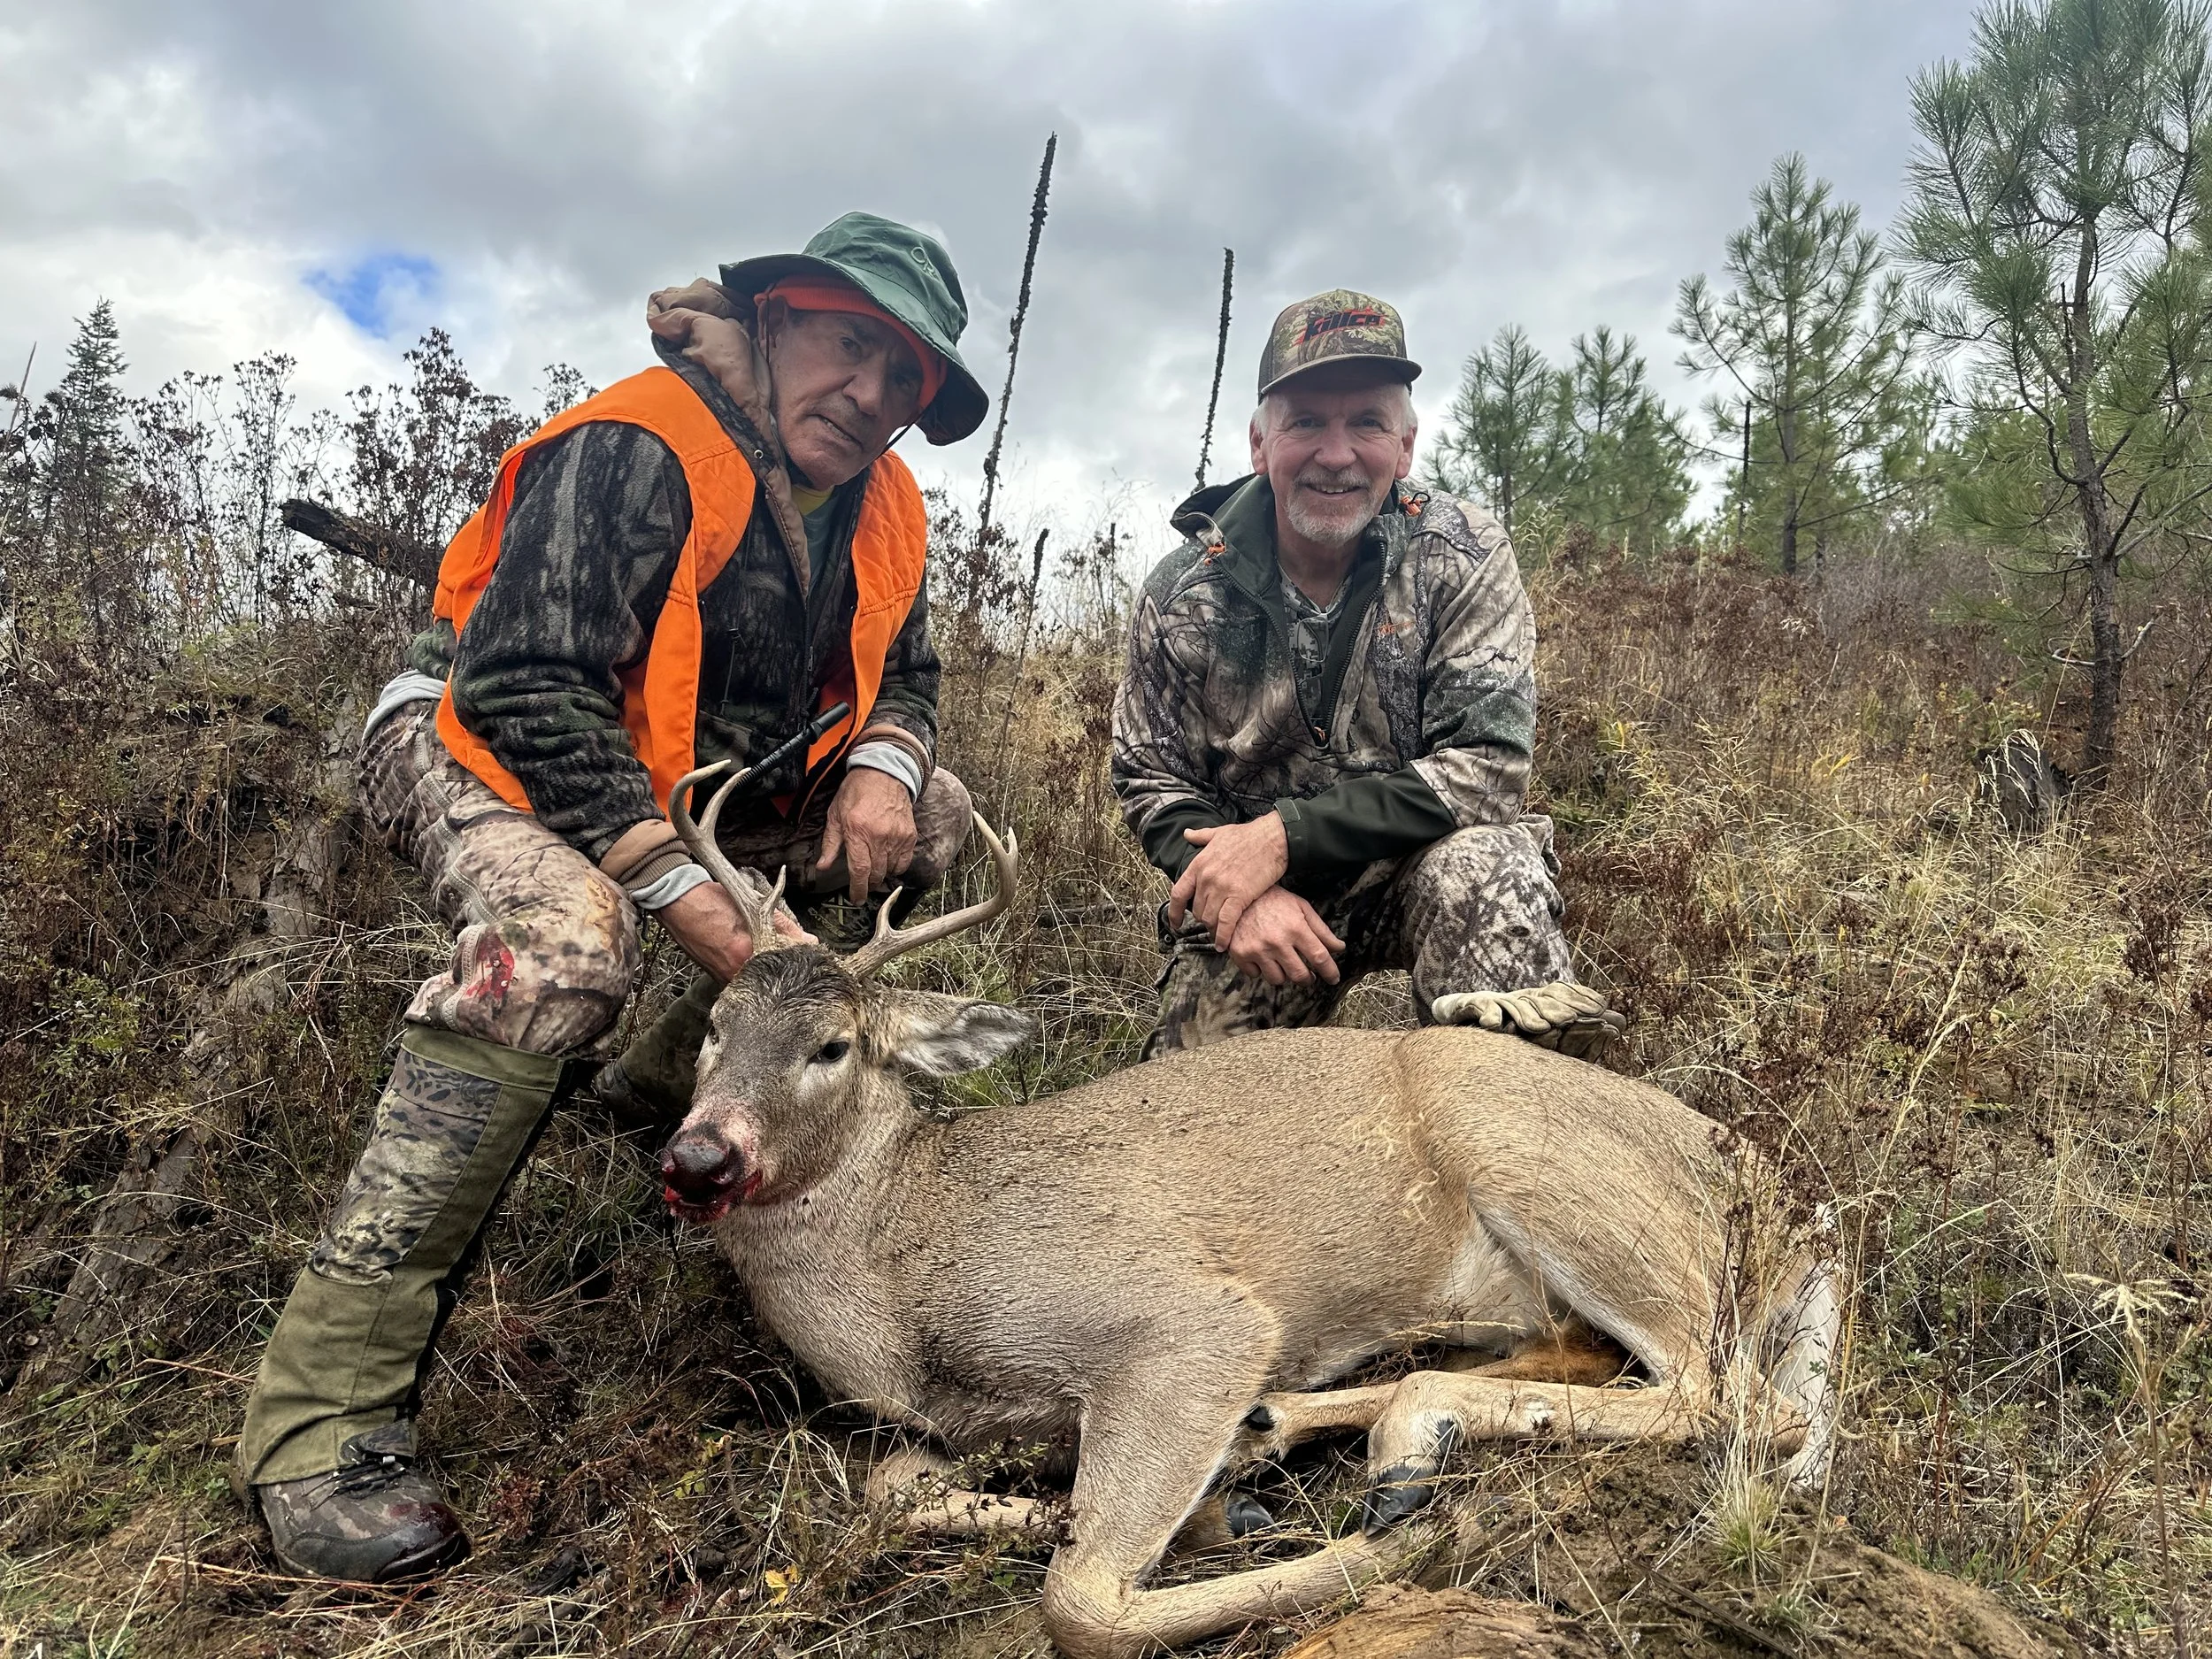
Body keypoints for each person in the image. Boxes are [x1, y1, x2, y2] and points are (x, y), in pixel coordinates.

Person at [234, 211, 988, 1581]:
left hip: (690, 771)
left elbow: (914, 677)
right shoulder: (639, 444)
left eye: (904, 379)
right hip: (478, 731)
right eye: (847, 346)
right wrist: (695, 902)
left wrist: (881, 765)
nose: (870, 396)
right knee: (563, 951)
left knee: (931, 825)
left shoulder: (885, 505)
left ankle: (669, 1085)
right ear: (772, 322)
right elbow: (525, 691)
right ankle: (321, 1416)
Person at [1111, 289, 1622, 1057]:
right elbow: (1151, 775)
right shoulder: (1182, 594)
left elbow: (1488, 768)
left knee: (1485, 871)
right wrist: (1239, 894)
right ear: (1260, 442)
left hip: (1431, 864)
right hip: (1264, 902)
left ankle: (1531, 1137)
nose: (1337, 453)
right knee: (1179, 1115)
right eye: (1307, 421)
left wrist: (1285, 836)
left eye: (1367, 423)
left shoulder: (1465, 555)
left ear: (1406, 445)